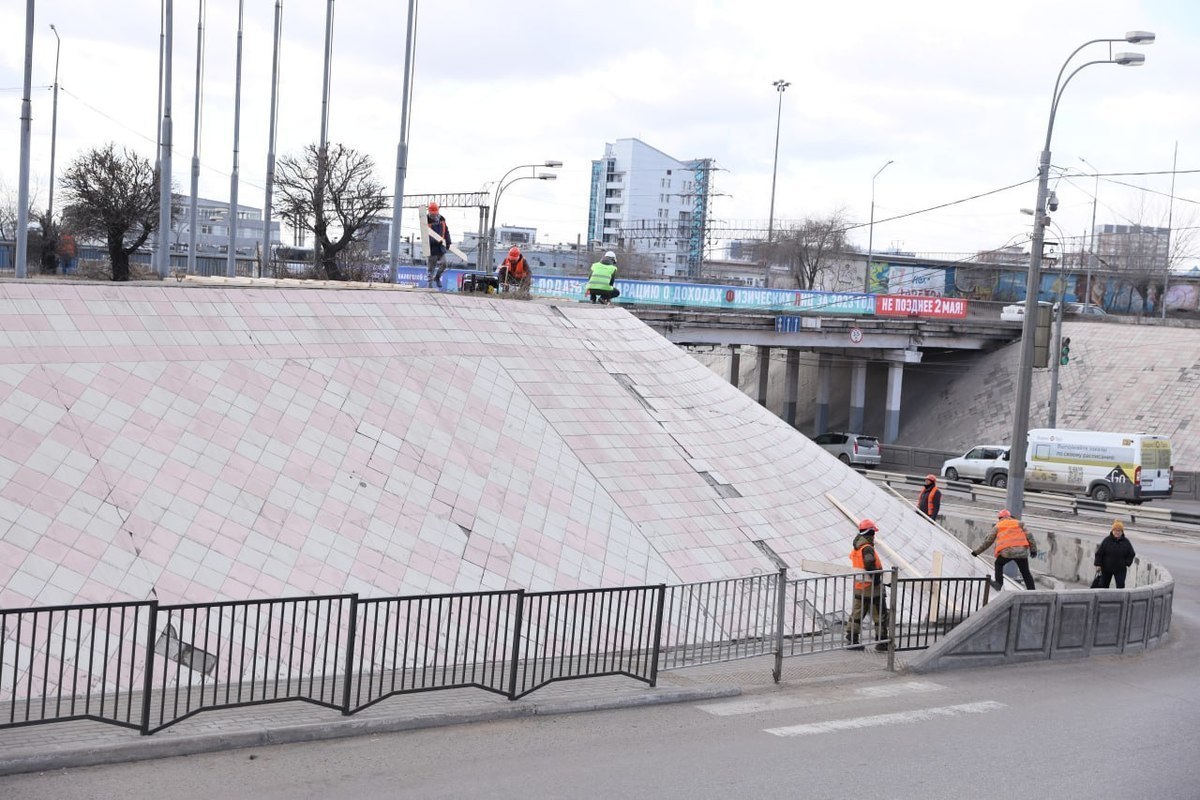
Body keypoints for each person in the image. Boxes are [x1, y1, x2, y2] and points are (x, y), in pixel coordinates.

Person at [847, 519, 890, 652]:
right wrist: (876, 578)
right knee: (880, 614)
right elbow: (870, 562)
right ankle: (882, 642)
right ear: (870, 533)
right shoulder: (867, 548)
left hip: (860, 587)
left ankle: (852, 639)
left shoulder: (857, 547)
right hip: (873, 589)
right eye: (873, 533)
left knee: (857, 614)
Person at [971, 509, 1038, 590]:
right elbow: (1029, 536)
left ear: (1000, 518)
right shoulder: (1019, 523)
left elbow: (988, 541)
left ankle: (998, 584)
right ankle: (1031, 590)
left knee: (998, 564)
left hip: (1007, 552)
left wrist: (976, 552)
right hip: (1021, 552)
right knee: (1025, 572)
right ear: (1010, 516)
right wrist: (1033, 549)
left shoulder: (998, 526)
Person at [1094, 520, 1136, 589]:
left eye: (1119, 531)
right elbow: (1099, 553)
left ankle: (1120, 599)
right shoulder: (1106, 540)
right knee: (1103, 586)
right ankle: (1103, 599)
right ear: (1112, 531)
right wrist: (1098, 564)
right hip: (1106, 568)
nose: (1117, 532)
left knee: (1120, 586)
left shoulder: (1126, 542)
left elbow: (1131, 554)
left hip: (1120, 569)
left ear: (1122, 532)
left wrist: (1126, 563)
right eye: (1115, 530)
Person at [425, 202, 452, 288]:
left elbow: (446, 231)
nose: (433, 215)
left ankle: (437, 278)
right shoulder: (425, 220)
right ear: (429, 211)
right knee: (431, 268)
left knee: (444, 264)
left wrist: (448, 242)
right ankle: (429, 285)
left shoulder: (442, 219)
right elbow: (426, 236)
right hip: (432, 248)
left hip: (441, 247)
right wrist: (436, 241)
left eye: (435, 213)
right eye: (432, 213)